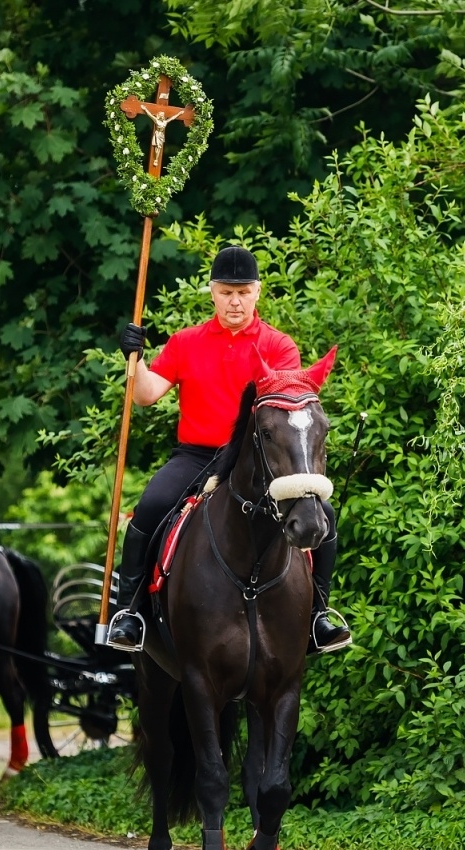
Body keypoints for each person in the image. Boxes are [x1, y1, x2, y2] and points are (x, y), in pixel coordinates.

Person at [105, 246, 351, 654]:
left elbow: (288, 411)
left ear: (257, 293)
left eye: (243, 292)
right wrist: (136, 358)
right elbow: (147, 395)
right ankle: (131, 613)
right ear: (212, 293)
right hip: (196, 456)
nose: (234, 301)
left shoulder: (279, 345)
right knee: (151, 506)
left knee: (323, 514)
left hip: (258, 461)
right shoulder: (186, 342)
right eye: (225, 292)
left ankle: (318, 616)